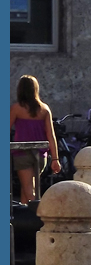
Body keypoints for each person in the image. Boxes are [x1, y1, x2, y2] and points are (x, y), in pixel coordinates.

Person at [9, 74, 61, 204]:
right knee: (26, 189)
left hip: (22, 153)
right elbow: (51, 135)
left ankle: (42, 214)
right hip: (41, 154)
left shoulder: (16, 108)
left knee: (29, 189)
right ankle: (25, 219)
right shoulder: (45, 109)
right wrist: (55, 158)